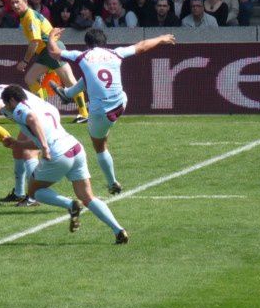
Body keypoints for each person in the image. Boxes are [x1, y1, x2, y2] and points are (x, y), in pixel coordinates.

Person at [48, 27, 175, 195]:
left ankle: (111, 182)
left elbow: (54, 52)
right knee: (90, 76)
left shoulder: (82, 56)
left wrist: (51, 37)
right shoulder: (116, 53)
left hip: (101, 111)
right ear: (104, 42)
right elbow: (142, 45)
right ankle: (68, 93)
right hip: (120, 103)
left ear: (87, 44)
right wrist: (161, 38)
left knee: (100, 146)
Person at [0, 84, 129, 244]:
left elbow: (34, 125)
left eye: (6, 104)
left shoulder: (21, 110)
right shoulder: (42, 108)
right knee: (88, 196)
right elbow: (39, 141)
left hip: (58, 154)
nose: (7, 108)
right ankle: (118, 230)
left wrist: (45, 148)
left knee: (35, 191)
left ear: (12, 100)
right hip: (75, 147)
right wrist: (17, 143)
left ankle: (70, 204)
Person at [9, 0, 89, 124]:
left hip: (52, 49)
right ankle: (44, 110)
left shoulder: (30, 16)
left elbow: (35, 41)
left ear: (25, 2)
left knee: (69, 81)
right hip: (46, 52)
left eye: (17, 2)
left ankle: (84, 113)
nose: (15, 5)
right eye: (12, 3)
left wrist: (25, 61)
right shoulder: (24, 17)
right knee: (30, 79)